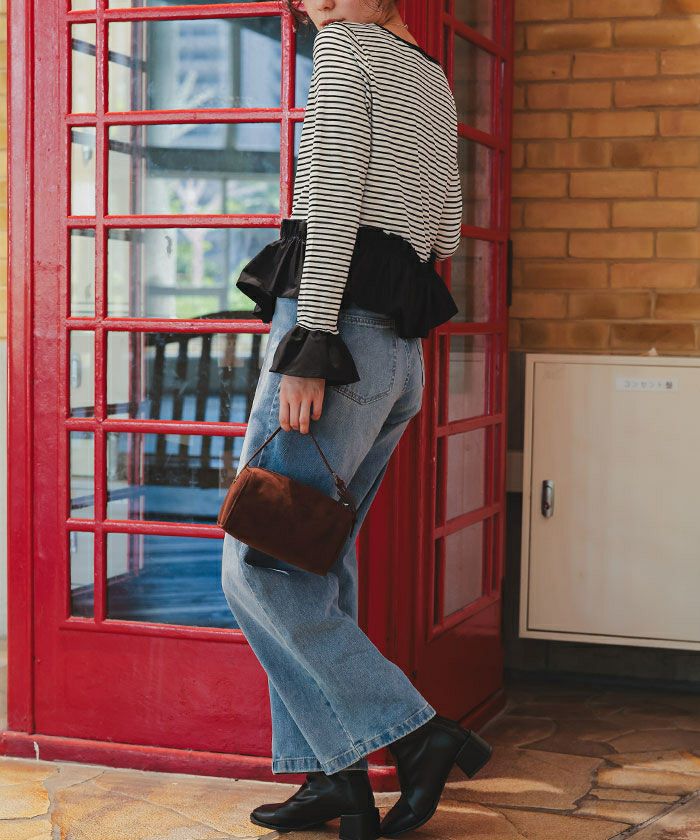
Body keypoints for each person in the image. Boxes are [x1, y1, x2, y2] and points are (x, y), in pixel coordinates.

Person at [220, 1, 493, 838]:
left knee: (259, 563)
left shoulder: (344, 48)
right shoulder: (430, 74)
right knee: (314, 562)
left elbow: (334, 201)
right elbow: (444, 227)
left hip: (334, 341)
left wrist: (310, 344)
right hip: (395, 353)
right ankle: (332, 779)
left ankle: (415, 735)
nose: (311, 3)